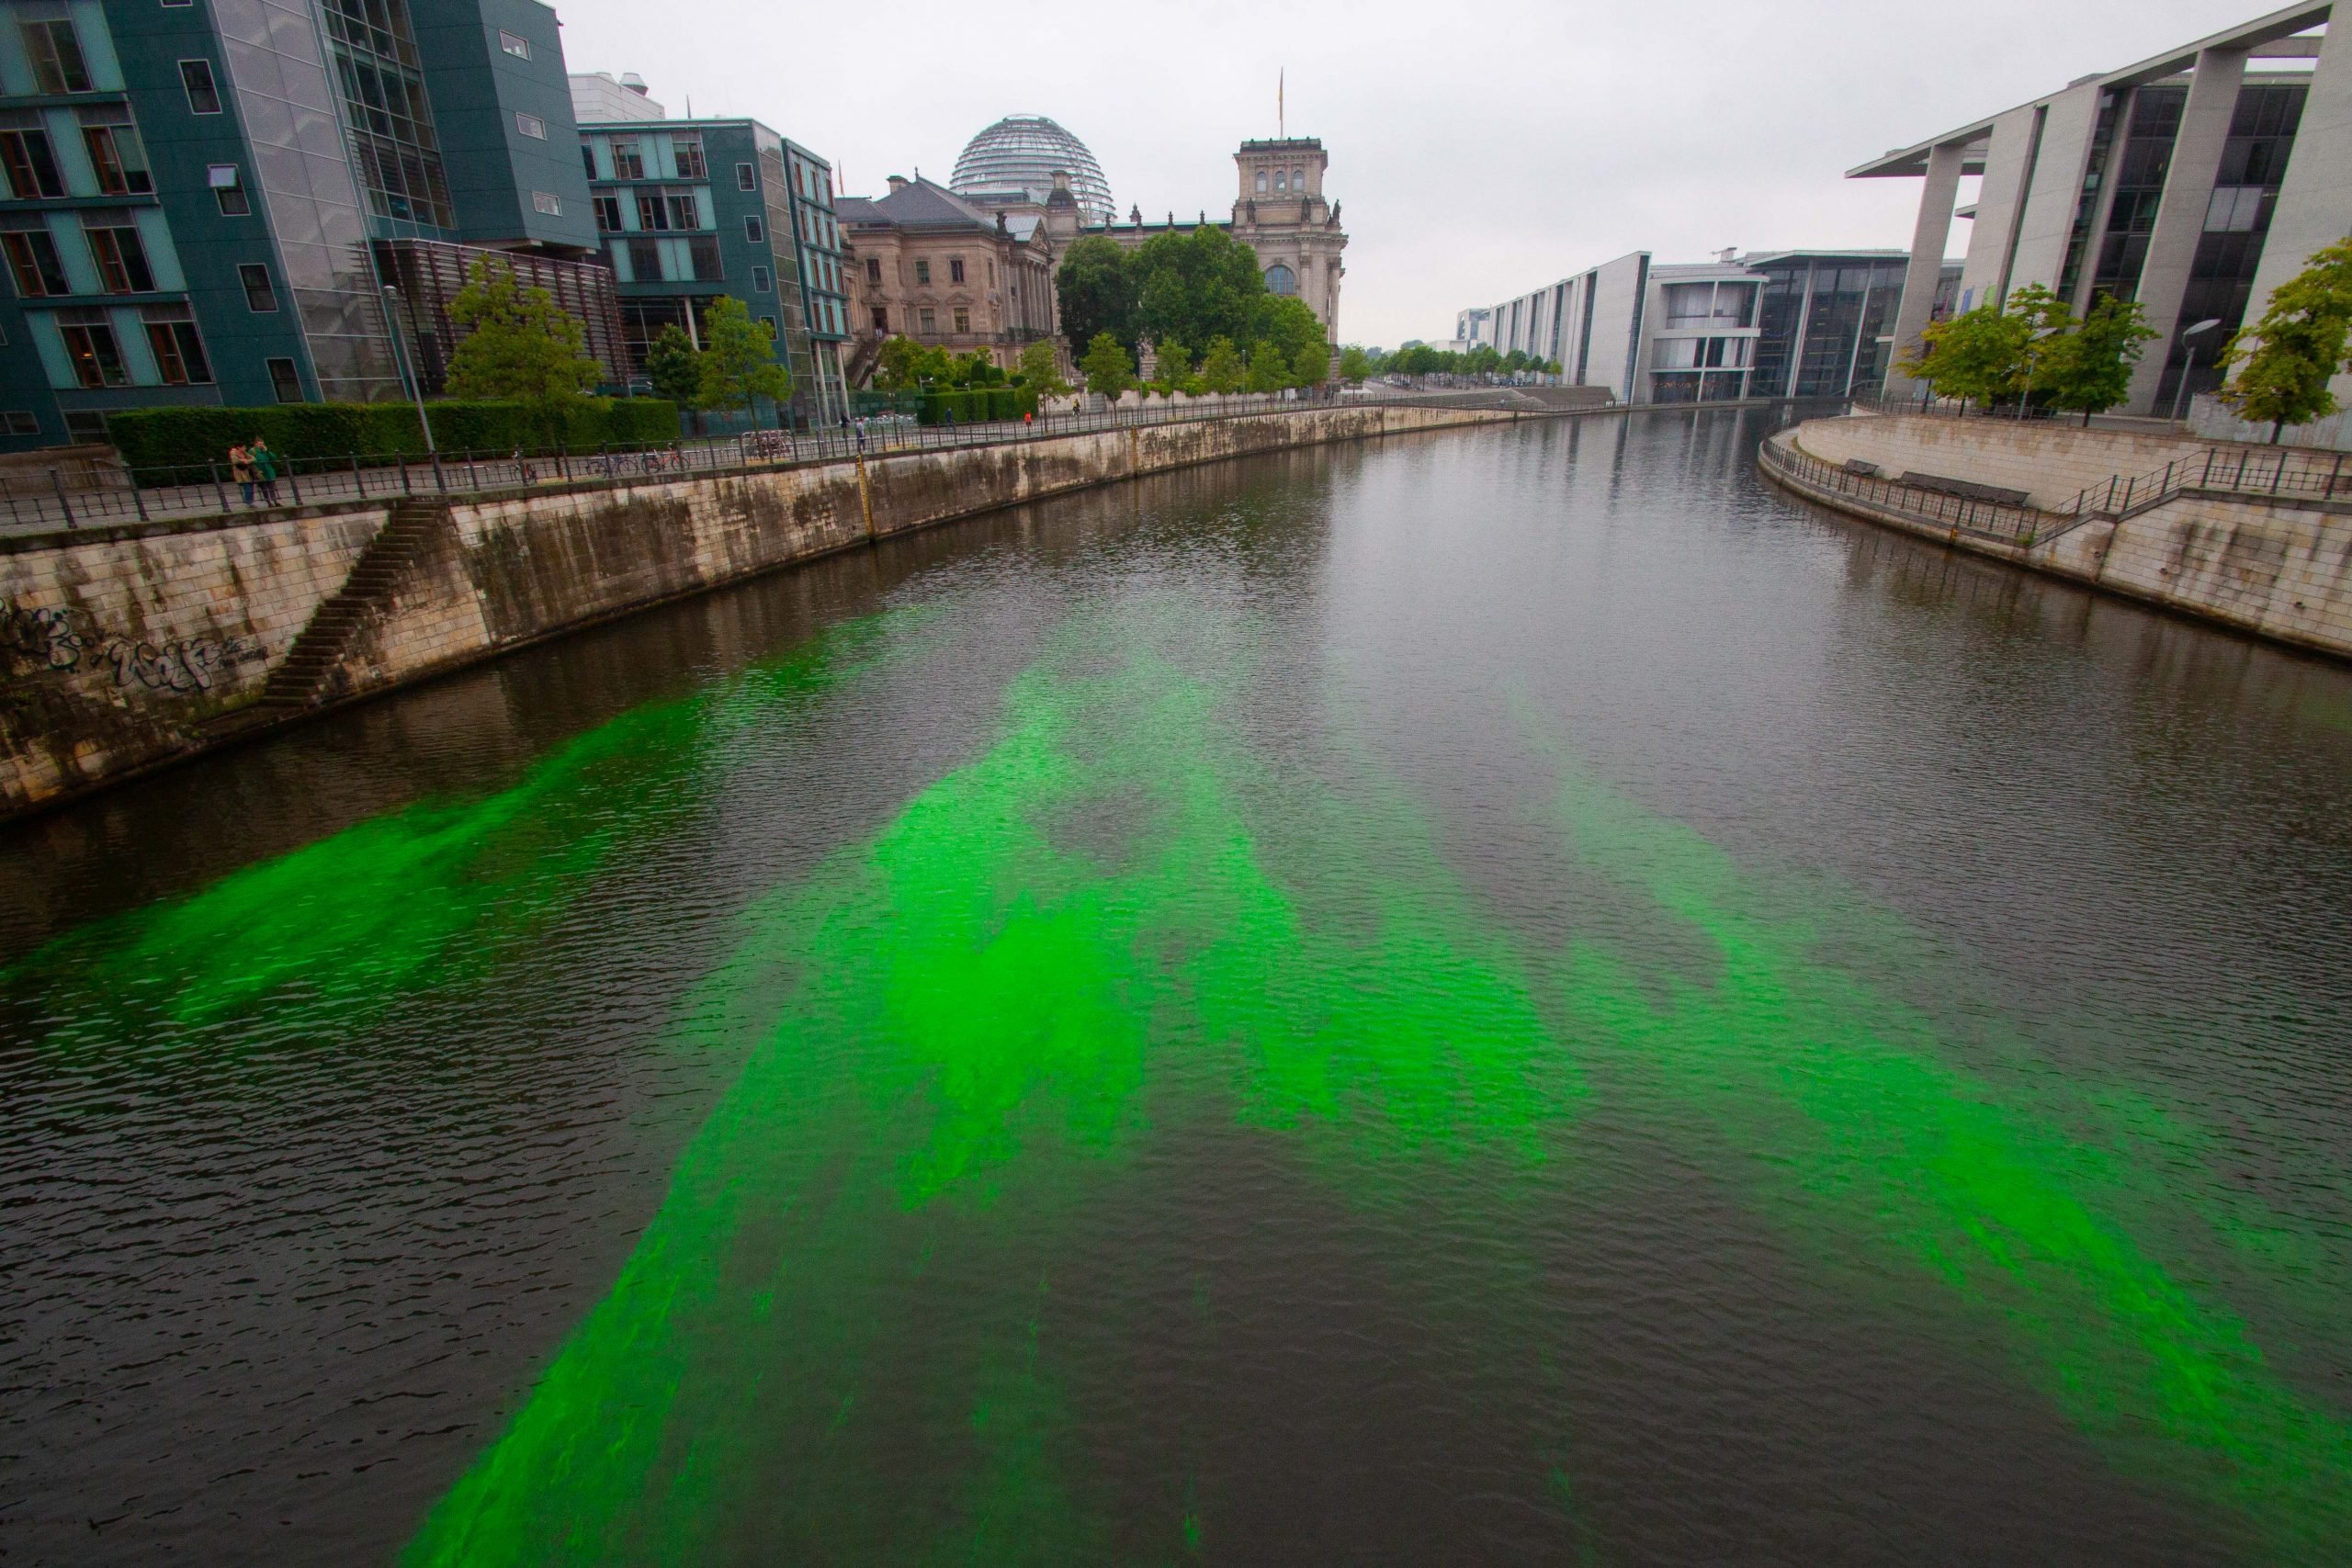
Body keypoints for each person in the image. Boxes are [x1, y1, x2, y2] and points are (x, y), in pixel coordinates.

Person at [249, 437, 280, 505]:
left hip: (269, 471)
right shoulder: (252, 451)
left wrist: (267, 451)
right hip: (260, 472)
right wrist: (257, 471)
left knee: (272, 487)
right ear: (256, 444)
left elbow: (274, 458)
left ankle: (275, 501)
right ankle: (268, 502)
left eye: (262, 444)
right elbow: (251, 463)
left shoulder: (265, 451)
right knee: (264, 488)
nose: (261, 445)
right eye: (260, 444)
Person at [228, 443, 254, 507]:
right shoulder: (233, 453)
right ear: (239, 448)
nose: (245, 448)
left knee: (251, 488)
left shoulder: (244, 453)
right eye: (243, 447)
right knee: (247, 488)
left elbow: (254, 458)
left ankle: (250, 502)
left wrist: (247, 461)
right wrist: (243, 461)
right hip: (240, 474)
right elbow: (235, 461)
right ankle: (248, 502)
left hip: (247, 473)